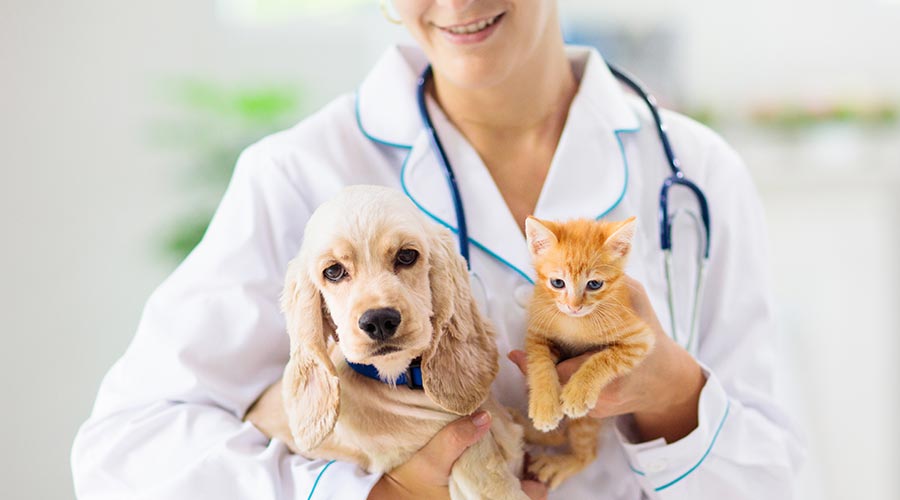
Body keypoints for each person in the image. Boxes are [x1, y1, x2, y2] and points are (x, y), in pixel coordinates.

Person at [71, 1, 804, 498]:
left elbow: (780, 480)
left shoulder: (695, 175)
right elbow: (126, 453)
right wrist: (378, 491)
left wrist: (675, 395)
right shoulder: (298, 177)